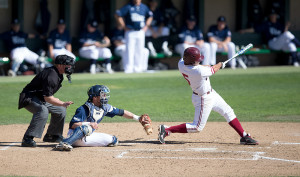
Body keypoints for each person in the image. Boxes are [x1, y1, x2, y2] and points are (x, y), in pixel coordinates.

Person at [158, 47, 258, 145]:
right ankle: (167, 129)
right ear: (192, 61)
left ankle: (244, 136)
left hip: (211, 94)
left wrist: (214, 66)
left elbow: (205, 67)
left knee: (228, 111)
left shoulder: (181, 63)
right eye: (197, 60)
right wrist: (220, 64)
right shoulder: (199, 71)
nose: (199, 61)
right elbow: (213, 69)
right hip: (203, 99)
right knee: (197, 127)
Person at [54, 85, 148, 151]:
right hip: (74, 136)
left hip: (87, 137)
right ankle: (65, 143)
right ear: (94, 97)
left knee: (113, 140)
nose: (105, 97)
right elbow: (73, 125)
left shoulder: (104, 107)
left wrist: (138, 118)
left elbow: (122, 112)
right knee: (87, 128)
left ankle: (70, 142)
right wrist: (89, 123)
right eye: (102, 95)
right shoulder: (84, 109)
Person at [18, 55, 75, 147]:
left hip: (40, 98)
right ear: (59, 65)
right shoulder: (51, 75)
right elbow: (48, 98)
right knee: (42, 110)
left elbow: (48, 95)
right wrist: (62, 103)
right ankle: (27, 138)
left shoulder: (58, 74)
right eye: (67, 65)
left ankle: (52, 135)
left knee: (60, 110)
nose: (70, 67)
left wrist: (60, 104)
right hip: (29, 98)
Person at [115, 0, 153, 73]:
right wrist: (123, 26)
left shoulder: (144, 7)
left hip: (140, 31)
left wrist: (146, 26)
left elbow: (150, 16)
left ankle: (138, 68)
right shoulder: (128, 6)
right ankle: (128, 68)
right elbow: (118, 14)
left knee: (140, 50)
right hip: (130, 31)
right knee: (129, 50)